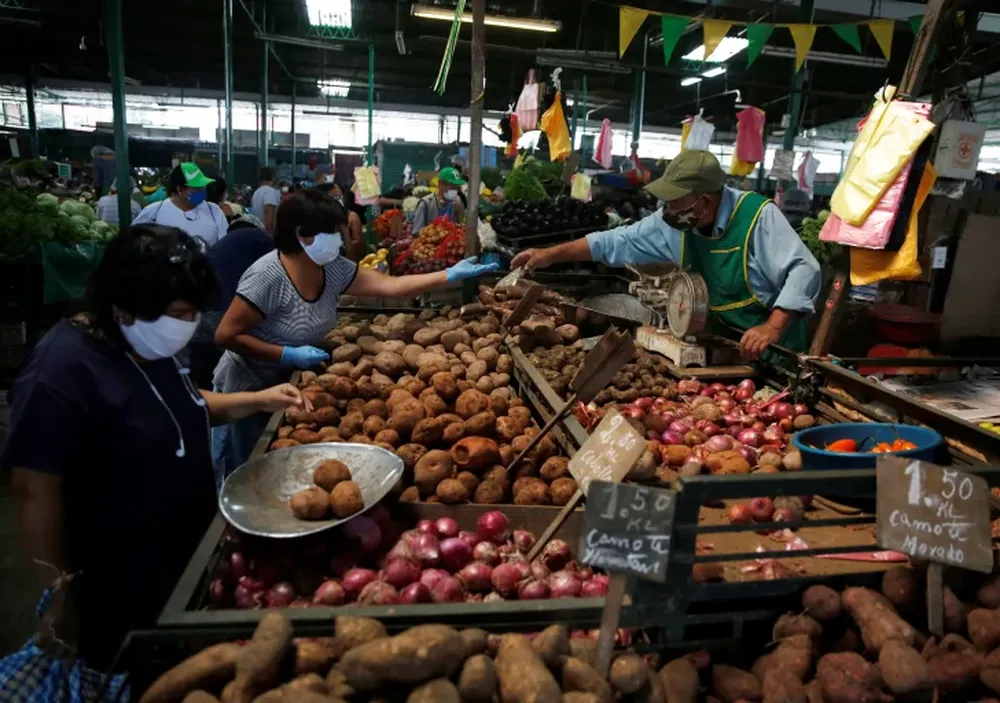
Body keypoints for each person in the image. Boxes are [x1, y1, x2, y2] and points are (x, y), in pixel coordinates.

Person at [0, 224, 309, 698]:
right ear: (123, 304)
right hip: (116, 573)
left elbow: (183, 405)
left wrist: (258, 399)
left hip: (179, 553)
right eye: (179, 313)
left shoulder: (146, 343)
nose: (187, 325)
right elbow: (34, 489)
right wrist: (58, 588)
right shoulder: (60, 372)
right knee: (130, 677)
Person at [211, 189, 498, 480]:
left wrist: (448, 274)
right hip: (249, 386)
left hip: (293, 382)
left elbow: (391, 286)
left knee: (282, 473)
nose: (339, 238)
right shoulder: (268, 277)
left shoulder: (330, 268)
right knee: (247, 470)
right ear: (303, 234)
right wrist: (283, 353)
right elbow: (226, 335)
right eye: (332, 231)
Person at [511, 150, 821, 358]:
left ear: (706, 201)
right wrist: (551, 254)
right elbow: (615, 241)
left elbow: (804, 269)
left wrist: (773, 327)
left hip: (776, 354)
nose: (667, 209)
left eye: (675, 201)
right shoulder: (673, 223)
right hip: (724, 345)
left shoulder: (757, 216)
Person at [186, 217, 276, 387]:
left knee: (204, 366)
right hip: (222, 311)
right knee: (235, 368)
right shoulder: (260, 238)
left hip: (197, 312)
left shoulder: (223, 245)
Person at [133, 163, 228, 248]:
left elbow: (225, 246)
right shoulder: (153, 213)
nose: (203, 191)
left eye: (203, 187)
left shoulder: (214, 211)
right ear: (180, 190)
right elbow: (132, 241)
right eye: (197, 188)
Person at [314, 181, 364, 262]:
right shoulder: (319, 221)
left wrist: (345, 231)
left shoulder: (350, 217)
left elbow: (357, 251)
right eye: (335, 197)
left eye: (340, 197)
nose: (339, 201)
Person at [411, 167, 466, 234]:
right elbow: (416, 233)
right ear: (440, 184)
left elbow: (462, 228)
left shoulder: (458, 203)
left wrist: (459, 212)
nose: (455, 191)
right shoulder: (426, 204)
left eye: (457, 188)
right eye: (452, 187)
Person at [251, 167, 281, 235]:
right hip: (266, 234)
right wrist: (271, 235)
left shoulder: (257, 192)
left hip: (257, 232)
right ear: (273, 178)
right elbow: (268, 214)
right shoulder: (270, 191)